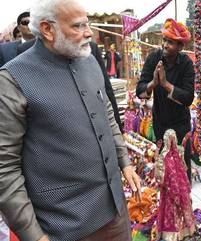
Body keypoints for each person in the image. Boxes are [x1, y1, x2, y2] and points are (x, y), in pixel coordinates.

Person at [0, 0, 141, 241]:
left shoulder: (88, 60)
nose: (89, 32)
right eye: (78, 26)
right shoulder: (13, 79)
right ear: (47, 29)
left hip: (115, 213)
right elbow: (5, 168)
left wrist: (124, 161)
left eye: (87, 23)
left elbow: (106, 113)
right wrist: (33, 235)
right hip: (63, 227)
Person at [136, 18, 195, 182]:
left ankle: (185, 204)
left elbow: (188, 98)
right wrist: (153, 84)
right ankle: (167, 205)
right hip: (160, 123)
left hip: (181, 125)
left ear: (180, 47)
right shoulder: (154, 58)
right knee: (164, 169)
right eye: (165, 40)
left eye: (171, 42)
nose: (165, 44)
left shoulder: (186, 64)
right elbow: (140, 90)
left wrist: (165, 84)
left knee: (182, 169)